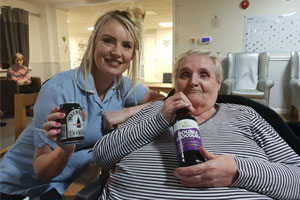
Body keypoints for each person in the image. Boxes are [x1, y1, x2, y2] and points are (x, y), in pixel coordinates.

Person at [0, 7, 164, 199]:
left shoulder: (122, 85)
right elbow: (41, 172)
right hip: (22, 189)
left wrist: (125, 113)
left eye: (126, 45)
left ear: (132, 54)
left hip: (71, 182)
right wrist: (65, 149)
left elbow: (160, 100)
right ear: (93, 43)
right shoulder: (60, 90)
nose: (117, 52)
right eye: (108, 40)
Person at [92, 50, 300, 199]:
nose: (193, 81)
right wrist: (160, 119)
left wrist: (239, 172)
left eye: (204, 74)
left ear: (218, 84)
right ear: (176, 84)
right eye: (184, 75)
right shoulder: (151, 112)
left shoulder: (245, 115)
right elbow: (102, 156)